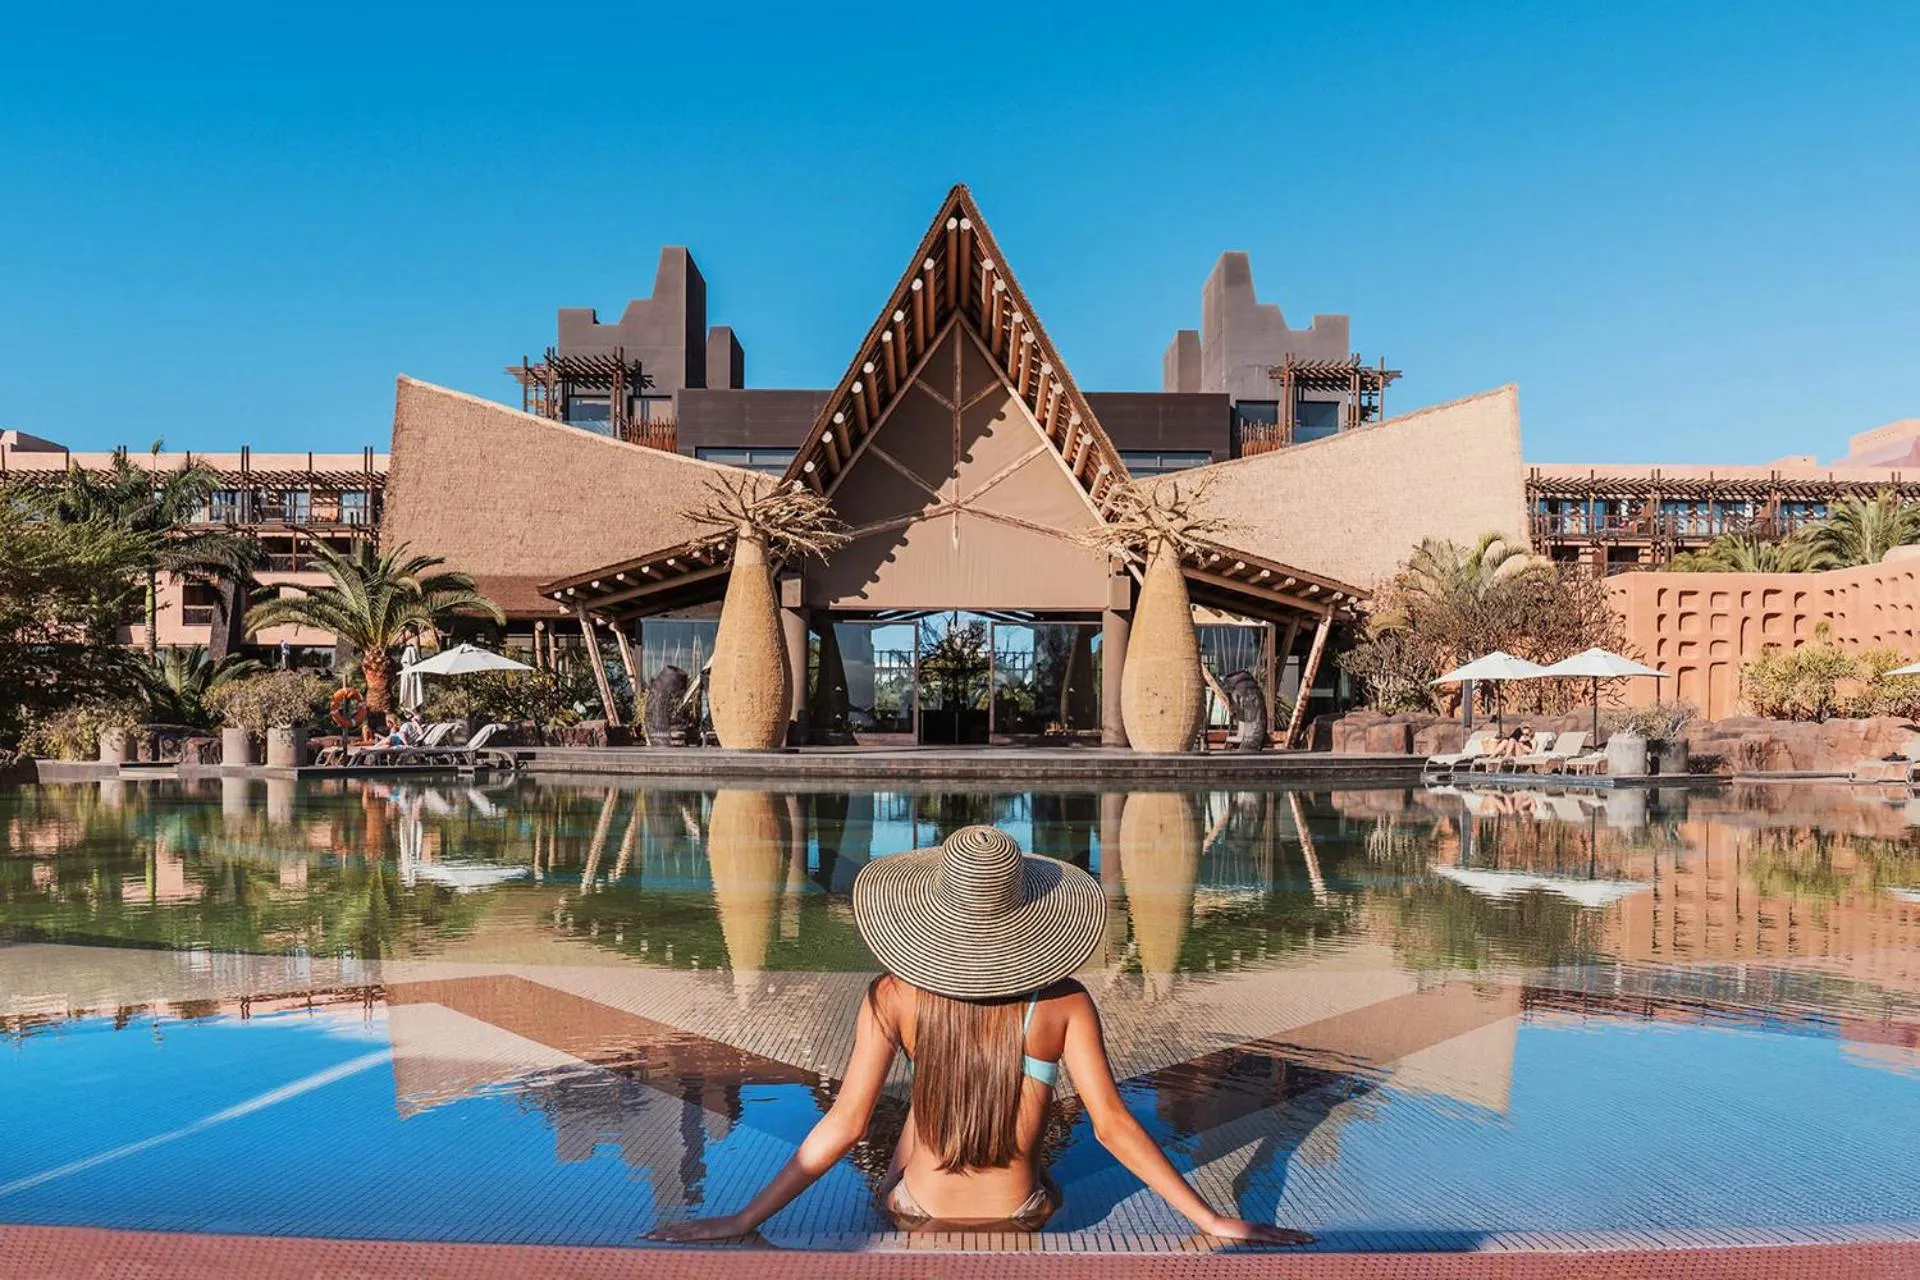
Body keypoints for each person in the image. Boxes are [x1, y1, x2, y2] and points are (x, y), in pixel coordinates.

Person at [649, 826, 1313, 1245]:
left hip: (914, 1208)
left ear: (933, 914)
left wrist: (743, 1219)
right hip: (1026, 1210)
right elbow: (1112, 1127)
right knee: (1024, 1128)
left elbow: (846, 1126)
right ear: (1026, 917)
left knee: (923, 1101)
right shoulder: (1062, 1003)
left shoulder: (893, 996)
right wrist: (1210, 1220)